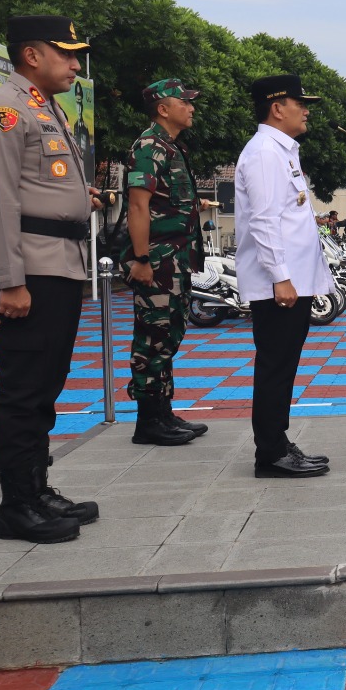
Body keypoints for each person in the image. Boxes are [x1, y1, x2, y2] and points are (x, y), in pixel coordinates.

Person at [0, 15, 102, 543]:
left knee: (47, 384)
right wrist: (10, 280)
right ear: (31, 55)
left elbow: (40, 185)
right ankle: (16, 506)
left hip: (61, 262)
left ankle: (37, 489)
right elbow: (0, 200)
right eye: (66, 53)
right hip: (30, 268)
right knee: (24, 389)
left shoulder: (45, 107)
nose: (75, 64)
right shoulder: (3, 108)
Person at [235, 74, 333, 479]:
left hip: (292, 280)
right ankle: (271, 453)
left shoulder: (282, 151)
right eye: (299, 103)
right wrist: (280, 277)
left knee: (284, 364)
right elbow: (263, 220)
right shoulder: (263, 153)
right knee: (275, 366)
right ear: (277, 108)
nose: (305, 110)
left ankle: (277, 441)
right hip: (279, 284)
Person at [125, 79, 207, 446]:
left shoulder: (171, 148)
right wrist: (141, 259)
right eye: (184, 102)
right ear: (163, 108)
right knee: (152, 339)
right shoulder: (149, 147)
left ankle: (163, 412)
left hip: (175, 261)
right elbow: (137, 206)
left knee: (169, 335)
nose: (191, 108)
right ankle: (148, 421)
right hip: (157, 262)